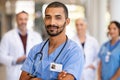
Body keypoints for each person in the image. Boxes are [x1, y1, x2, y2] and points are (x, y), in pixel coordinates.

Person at [19, 1, 84, 80]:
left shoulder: (74, 51)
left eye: (58, 17)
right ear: (44, 20)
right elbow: (22, 78)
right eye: (48, 17)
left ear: (67, 22)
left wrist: (34, 78)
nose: (52, 22)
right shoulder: (35, 50)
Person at [0, 11, 42, 80]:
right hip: (14, 73)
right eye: (21, 19)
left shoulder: (36, 36)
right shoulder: (7, 36)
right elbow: (1, 56)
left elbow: (42, 54)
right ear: (16, 20)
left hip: (32, 74)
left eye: (25, 19)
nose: (23, 21)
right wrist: (15, 60)